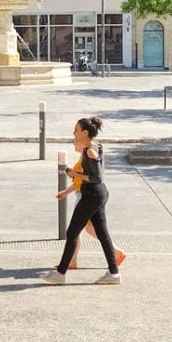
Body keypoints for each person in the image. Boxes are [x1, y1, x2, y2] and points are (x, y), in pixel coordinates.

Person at [41, 116, 121, 285]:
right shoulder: (94, 145)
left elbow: (96, 177)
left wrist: (74, 174)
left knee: (72, 233)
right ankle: (114, 273)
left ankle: (60, 273)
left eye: (76, 130)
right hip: (98, 194)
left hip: (92, 195)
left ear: (85, 132)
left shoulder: (90, 150)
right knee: (102, 233)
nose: (74, 132)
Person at [55, 148, 126, 270]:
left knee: (77, 231)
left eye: (76, 139)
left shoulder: (88, 156)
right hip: (82, 194)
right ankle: (75, 261)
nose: (74, 142)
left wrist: (73, 174)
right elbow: (79, 180)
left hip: (85, 196)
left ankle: (115, 255)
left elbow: (88, 178)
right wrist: (66, 192)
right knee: (88, 229)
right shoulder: (84, 156)